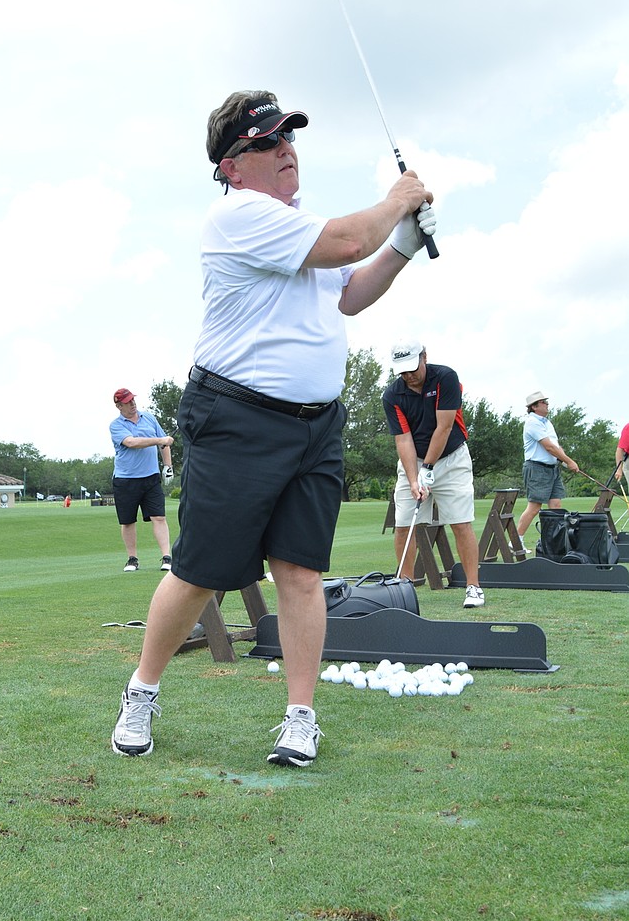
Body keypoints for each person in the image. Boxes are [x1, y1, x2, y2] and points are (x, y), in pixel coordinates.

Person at [110, 89, 435, 767]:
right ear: (232, 165)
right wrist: (398, 200)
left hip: (315, 426)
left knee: (302, 573)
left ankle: (300, 716)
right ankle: (141, 689)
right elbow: (349, 239)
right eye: (266, 142)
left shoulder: (298, 225)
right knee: (201, 570)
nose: (286, 149)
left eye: (289, 137)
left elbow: (347, 291)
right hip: (237, 418)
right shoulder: (236, 218)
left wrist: (402, 244)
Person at [382, 341, 484, 608]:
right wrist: (414, 477)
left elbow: (445, 426)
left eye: (413, 368)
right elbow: (403, 440)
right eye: (402, 371)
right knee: (403, 524)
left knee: (460, 522)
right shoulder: (392, 395)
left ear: (424, 357)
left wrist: (428, 468)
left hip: (451, 458)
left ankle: (473, 587)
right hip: (412, 461)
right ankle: (403, 589)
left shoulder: (446, 378)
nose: (409, 376)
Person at [110, 387, 174, 573]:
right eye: (128, 402)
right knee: (128, 521)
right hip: (125, 479)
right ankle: (132, 559)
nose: (132, 404)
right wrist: (159, 440)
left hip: (151, 477)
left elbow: (164, 444)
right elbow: (132, 443)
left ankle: (166, 557)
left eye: (133, 400)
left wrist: (167, 466)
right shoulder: (116, 425)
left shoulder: (149, 418)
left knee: (159, 517)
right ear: (119, 405)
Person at [516, 390, 578, 544]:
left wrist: (564, 461)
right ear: (534, 407)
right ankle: (517, 541)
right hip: (537, 468)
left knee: (556, 505)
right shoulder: (532, 422)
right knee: (534, 507)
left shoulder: (547, 422)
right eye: (544, 402)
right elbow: (548, 447)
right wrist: (569, 461)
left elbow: (556, 446)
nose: (547, 404)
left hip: (552, 469)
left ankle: (553, 542)